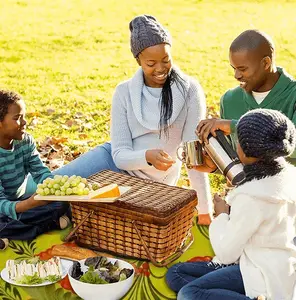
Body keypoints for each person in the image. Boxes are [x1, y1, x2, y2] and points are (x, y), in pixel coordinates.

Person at [41, 15, 212, 224]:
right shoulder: (124, 92)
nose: (160, 69)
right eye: (151, 63)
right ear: (138, 60)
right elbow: (120, 155)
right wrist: (147, 156)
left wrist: (205, 211)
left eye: (166, 60)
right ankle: (11, 209)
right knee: (48, 188)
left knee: (98, 218)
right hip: (113, 163)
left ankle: (61, 216)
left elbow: (193, 157)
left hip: (152, 186)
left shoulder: (189, 91)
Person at [166, 109, 296, 300]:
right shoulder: (291, 178)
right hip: (274, 265)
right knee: (176, 273)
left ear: (244, 151)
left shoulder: (251, 197)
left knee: (188, 293)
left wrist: (222, 215)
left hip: (259, 273)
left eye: (238, 141)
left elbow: (226, 252)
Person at [195, 29, 296, 262]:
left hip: (290, 210)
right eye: (233, 68)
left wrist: (234, 126)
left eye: (242, 69)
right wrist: (216, 165)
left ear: (266, 62)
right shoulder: (230, 100)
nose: (236, 75)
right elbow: (243, 161)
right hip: (248, 205)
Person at [0, 90, 70, 248]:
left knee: (62, 204)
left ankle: (11, 233)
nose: (24, 122)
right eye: (17, 118)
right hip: (5, 207)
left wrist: (54, 189)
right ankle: (47, 225)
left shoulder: (25, 141)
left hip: (20, 202)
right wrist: (30, 204)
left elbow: (40, 172)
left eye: (24, 116)